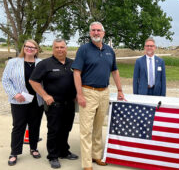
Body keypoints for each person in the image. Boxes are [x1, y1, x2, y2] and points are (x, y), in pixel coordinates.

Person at [72, 21, 125, 170]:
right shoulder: (83, 50)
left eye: (98, 30)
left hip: (104, 92)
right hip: (88, 92)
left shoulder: (110, 50)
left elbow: (115, 71)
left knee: (98, 127)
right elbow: (76, 73)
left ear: (103, 33)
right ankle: (87, 163)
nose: (96, 33)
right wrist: (80, 94)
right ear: (90, 33)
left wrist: (120, 90)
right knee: (86, 129)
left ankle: (96, 155)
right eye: (93, 30)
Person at [29, 39, 78, 169]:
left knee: (66, 128)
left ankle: (63, 151)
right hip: (54, 104)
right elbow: (33, 81)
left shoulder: (73, 63)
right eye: (57, 47)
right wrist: (45, 95)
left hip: (70, 103)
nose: (60, 49)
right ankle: (53, 156)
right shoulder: (45, 64)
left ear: (66, 48)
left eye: (62, 47)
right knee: (54, 130)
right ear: (53, 49)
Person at [2, 39, 44, 166]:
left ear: (37, 50)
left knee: (35, 125)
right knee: (18, 126)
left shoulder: (41, 63)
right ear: (23, 48)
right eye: (27, 46)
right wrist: (15, 94)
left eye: (33, 47)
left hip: (36, 100)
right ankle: (14, 152)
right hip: (19, 100)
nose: (30, 49)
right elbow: (5, 80)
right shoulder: (13, 62)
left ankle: (33, 148)